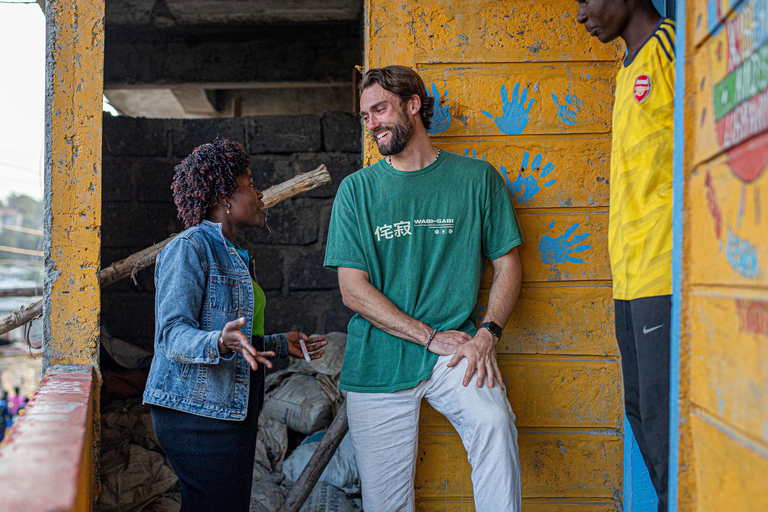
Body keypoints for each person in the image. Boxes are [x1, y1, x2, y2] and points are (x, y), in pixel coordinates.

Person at [324, 65, 524, 512]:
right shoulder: (356, 191)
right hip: (379, 356)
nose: (371, 123)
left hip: (458, 346)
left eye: (380, 109)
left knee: (494, 422)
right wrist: (426, 336)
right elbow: (352, 290)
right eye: (365, 116)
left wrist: (488, 334)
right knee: (386, 504)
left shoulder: (477, 179)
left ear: (413, 105)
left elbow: (508, 265)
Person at [142, 138, 327, 512]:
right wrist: (219, 341)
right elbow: (172, 335)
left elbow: (238, 338)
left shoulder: (235, 255)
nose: (259, 193)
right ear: (225, 195)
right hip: (196, 415)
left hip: (230, 408)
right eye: (249, 183)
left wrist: (278, 343)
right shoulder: (189, 248)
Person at [574, 1, 675, 510]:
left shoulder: (674, 52)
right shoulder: (628, 66)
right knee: (641, 412)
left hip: (667, 277)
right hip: (629, 280)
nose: (579, 14)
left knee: (665, 424)